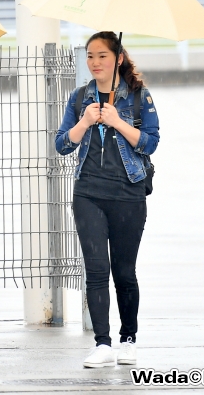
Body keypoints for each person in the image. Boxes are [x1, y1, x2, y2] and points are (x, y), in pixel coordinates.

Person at [55, 31, 160, 368]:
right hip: (89, 194)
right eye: (89, 56)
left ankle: (129, 338)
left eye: (101, 56)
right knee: (96, 270)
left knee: (124, 272)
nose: (94, 62)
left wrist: (118, 122)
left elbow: (150, 143)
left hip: (129, 194)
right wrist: (84, 122)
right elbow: (62, 145)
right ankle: (102, 343)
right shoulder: (80, 97)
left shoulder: (139, 97)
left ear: (117, 58)